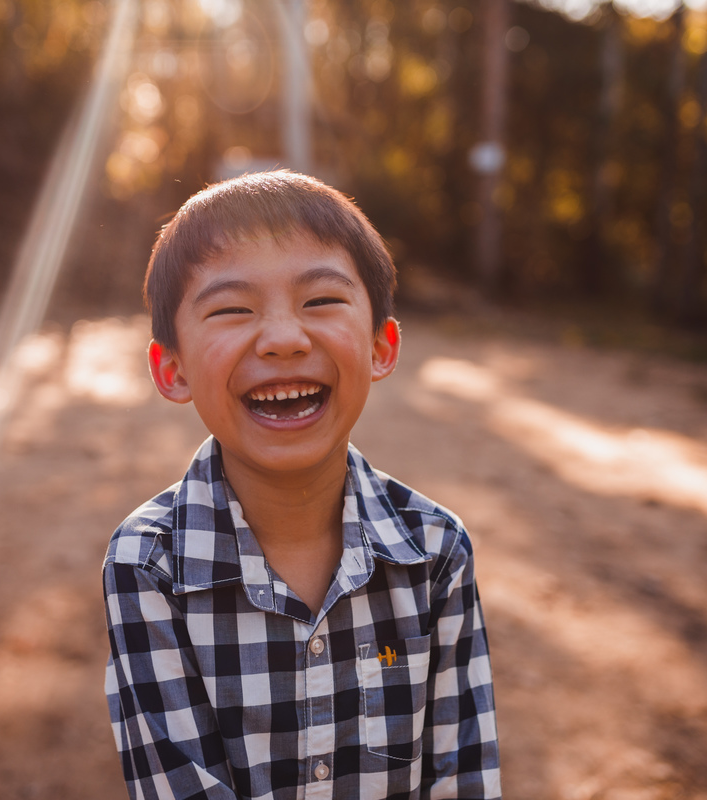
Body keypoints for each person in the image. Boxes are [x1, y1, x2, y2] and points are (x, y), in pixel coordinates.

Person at [103, 170, 501, 800]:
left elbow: (465, 777)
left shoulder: (434, 551)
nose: (285, 339)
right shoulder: (149, 565)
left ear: (381, 346)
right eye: (233, 309)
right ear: (171, 368)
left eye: (321, 301)